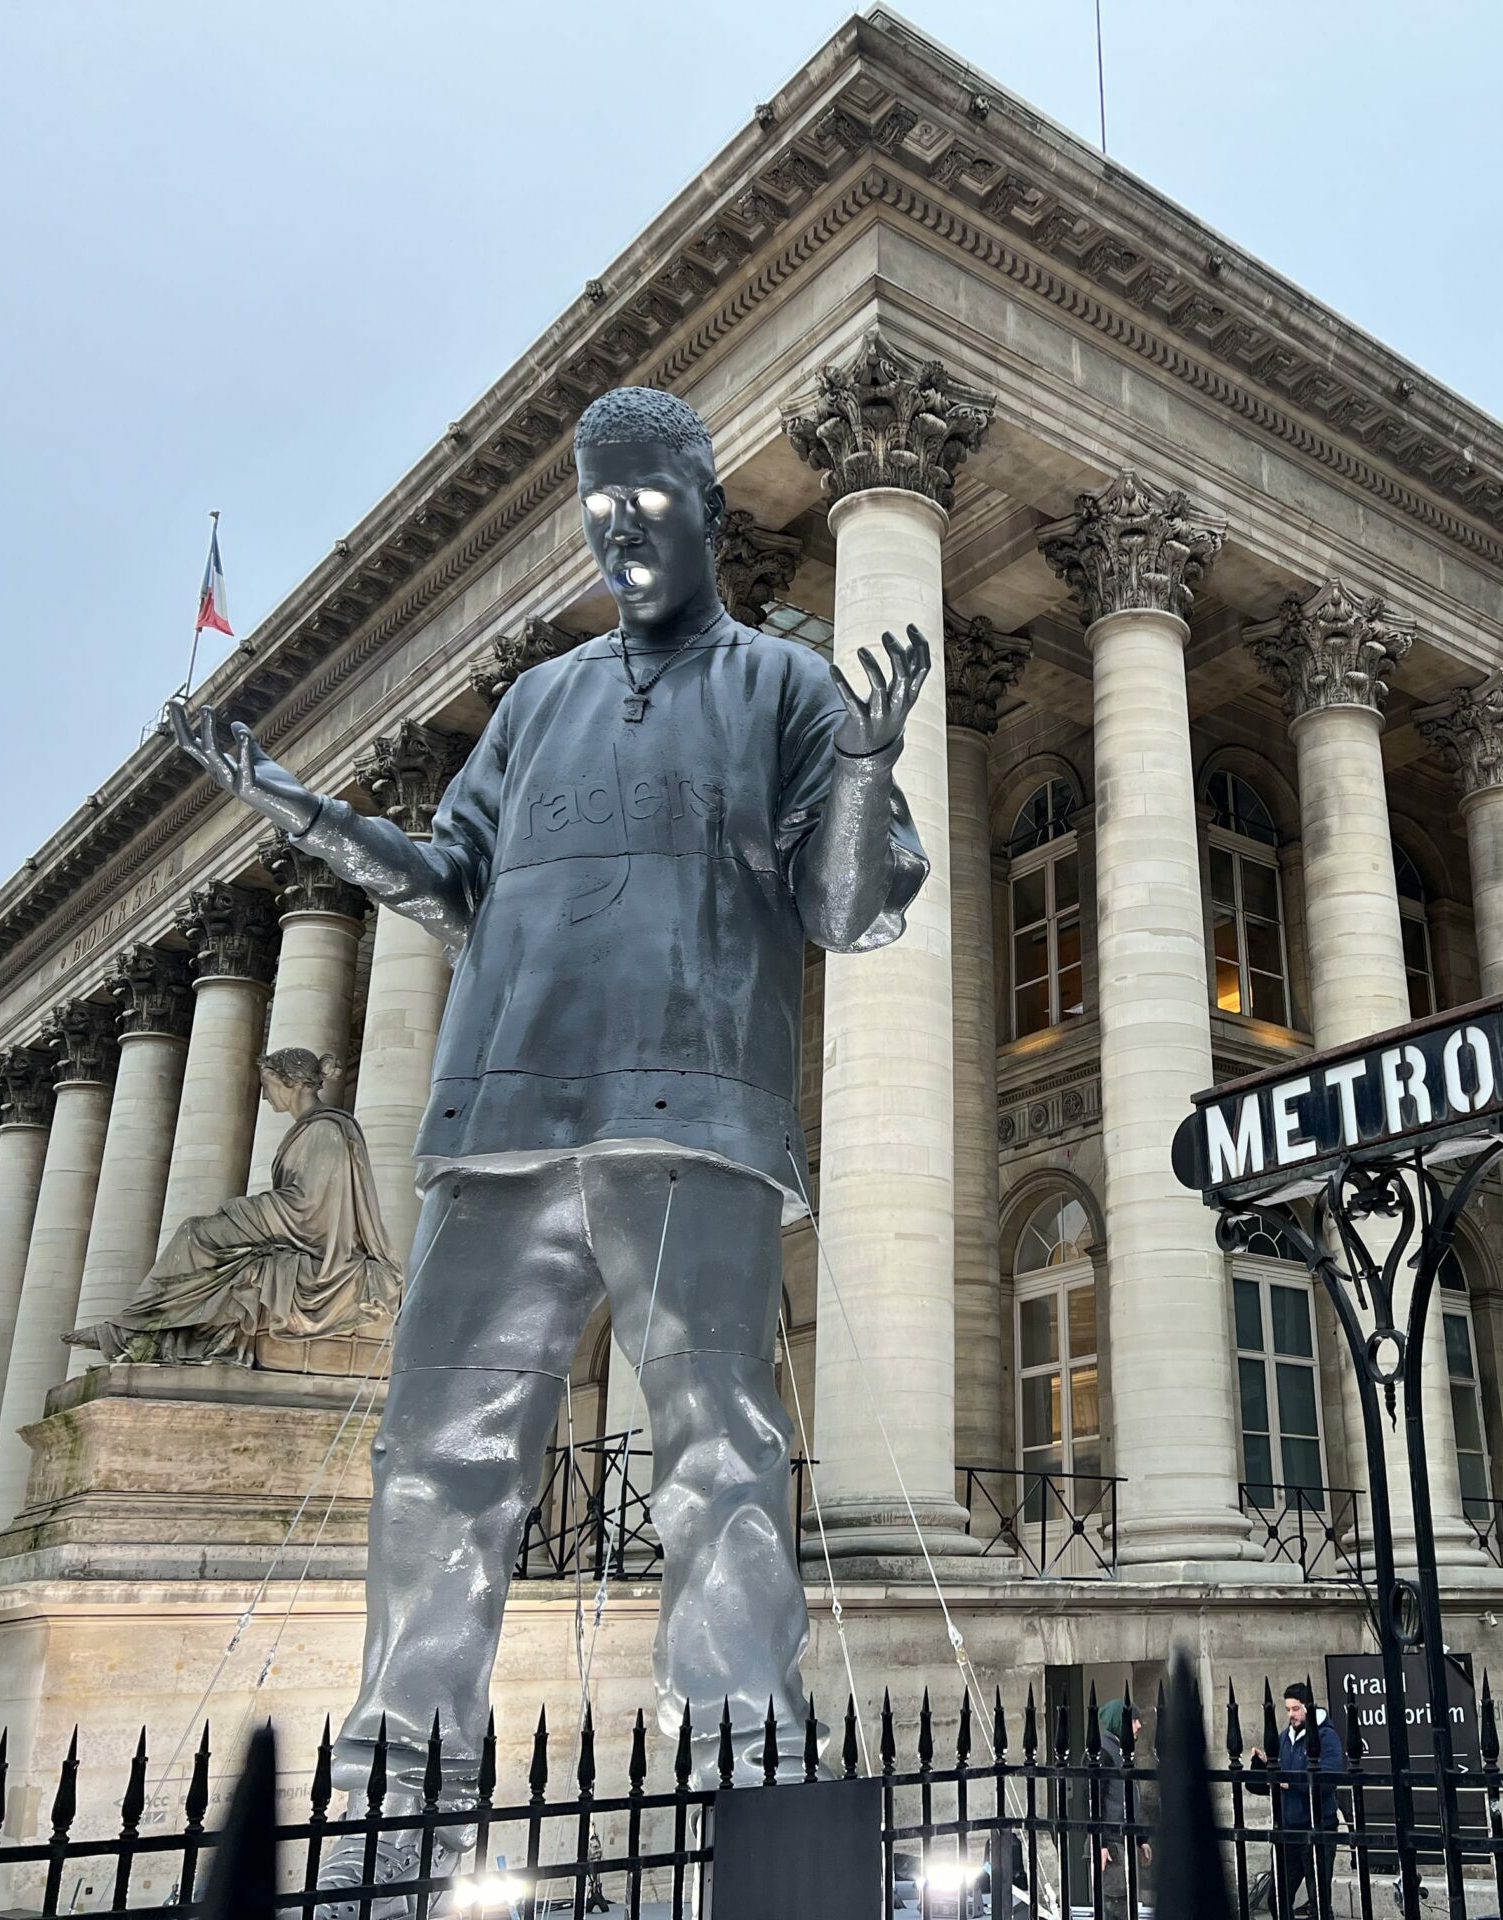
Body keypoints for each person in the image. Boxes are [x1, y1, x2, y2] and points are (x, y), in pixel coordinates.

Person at [164, 382, 929, 1911]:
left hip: (693, 1113)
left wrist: (862, 764)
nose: (619, 532)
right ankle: (398, 1786)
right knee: (433, 1461)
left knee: (720, 1448)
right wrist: (304, 813)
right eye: (596, 511)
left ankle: (741, 1754)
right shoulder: (537, 700)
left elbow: (852, 909)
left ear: (708, 509)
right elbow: (453, 882)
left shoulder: (781, 686)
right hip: (503, 1114)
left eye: (645, 504)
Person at [65, 1048, 399, 1363]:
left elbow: (313, 1206)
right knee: (213, 1248)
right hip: (295, 1222)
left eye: (268, 1085)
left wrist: (243, 1210)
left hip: (310, 1230)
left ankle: (130, 1329)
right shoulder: (313, 1128)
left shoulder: (326, 1130)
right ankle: (151, 1334)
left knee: (195, 1234)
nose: (265, 1095)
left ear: (292, 1082)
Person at [1247, 1683, 1343, 1918]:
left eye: (1296, 1709)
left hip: (1318, 1827)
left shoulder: (1327, 1737)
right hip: (1288, 1830)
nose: (1291, 1714)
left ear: (1308, 1708)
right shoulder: (1282, 1738)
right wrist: (1259, 1766)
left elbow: (1329, 1779)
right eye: (1288, 1709)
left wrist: (1290, 1782)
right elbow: (1261, 1787)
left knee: (1318, 1903)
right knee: (1277, 1900)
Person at [1094, 1698, 1150, 1919]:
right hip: (1112, 1844)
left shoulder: (1121, 1752)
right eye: (1134, 1720)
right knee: (1115, 1905)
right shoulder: (1104, 1753)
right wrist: (1101, 1843)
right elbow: (1093, 1802)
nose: (1139, 1725)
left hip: (1122, 1841)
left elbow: (1131, 1798)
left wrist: (1141, 1838)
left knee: (1125, 1904)